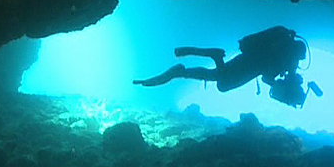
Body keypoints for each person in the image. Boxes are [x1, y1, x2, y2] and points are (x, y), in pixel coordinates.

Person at [133, 26, 322, 108]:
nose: (298, 62)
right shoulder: (282, 58)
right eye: (299, 58)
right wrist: (278, 84)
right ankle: (210, 57)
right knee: (222, 83)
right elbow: (266, 77)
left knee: (219, 78)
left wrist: (283, 80)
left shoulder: (283, 55)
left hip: (247, 62)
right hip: (249, 67)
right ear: (296, 52)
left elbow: (269, 74)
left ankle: (182, 72)